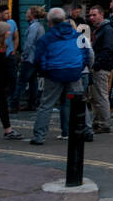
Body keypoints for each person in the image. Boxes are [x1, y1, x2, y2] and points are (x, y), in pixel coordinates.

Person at [30, 8, 91, 145]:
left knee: (46, 105)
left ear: (49, 22)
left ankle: (39, 136)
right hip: (74, 72)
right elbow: (86, 54)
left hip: (54, 73)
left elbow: (39, 59)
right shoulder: (76, 36)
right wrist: (79, 67)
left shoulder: (46, 38)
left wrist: (44, 72)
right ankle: (87, 130)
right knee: (79, 102)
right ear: (64, 19)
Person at [87, 5, 113, 133]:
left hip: (101, 67)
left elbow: (107, 49)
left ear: (101, 15)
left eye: (94, 15)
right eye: (90, 15)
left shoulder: (107, 30)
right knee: (95, 97)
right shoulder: (99, 29)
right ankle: (98, 122)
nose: (91, 18)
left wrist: (97, 64)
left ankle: (104, 124)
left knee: (100, 96)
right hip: (98, 66)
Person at [16, 6, 46, 111]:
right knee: (33, 82)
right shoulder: (40, 26)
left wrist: (23, 56)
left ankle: (14, 104)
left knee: (21, 82)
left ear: (32, 15)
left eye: (27, 12)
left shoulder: (33, 27)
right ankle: (32, 104)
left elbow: (29, 43)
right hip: (36, 59)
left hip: (29, 59)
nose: (25, 14)